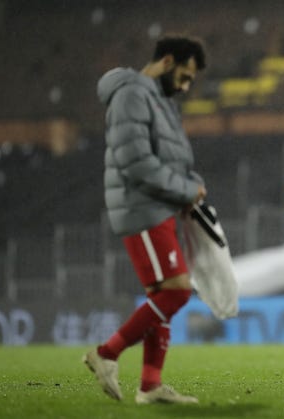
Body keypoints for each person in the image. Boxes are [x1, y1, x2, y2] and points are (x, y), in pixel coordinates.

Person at [84, 35, 207, 404]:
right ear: (167, 61)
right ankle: (106, 353)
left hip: (161, 205)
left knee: (161, 295)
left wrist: (192, 186)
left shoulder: (161, 101)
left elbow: (176, 159)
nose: (185, 86)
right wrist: (185, 190)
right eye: (184, 76)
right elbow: (136, 162)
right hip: (143, 208)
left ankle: (150, 385)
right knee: (176, 290)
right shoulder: (132, 95)